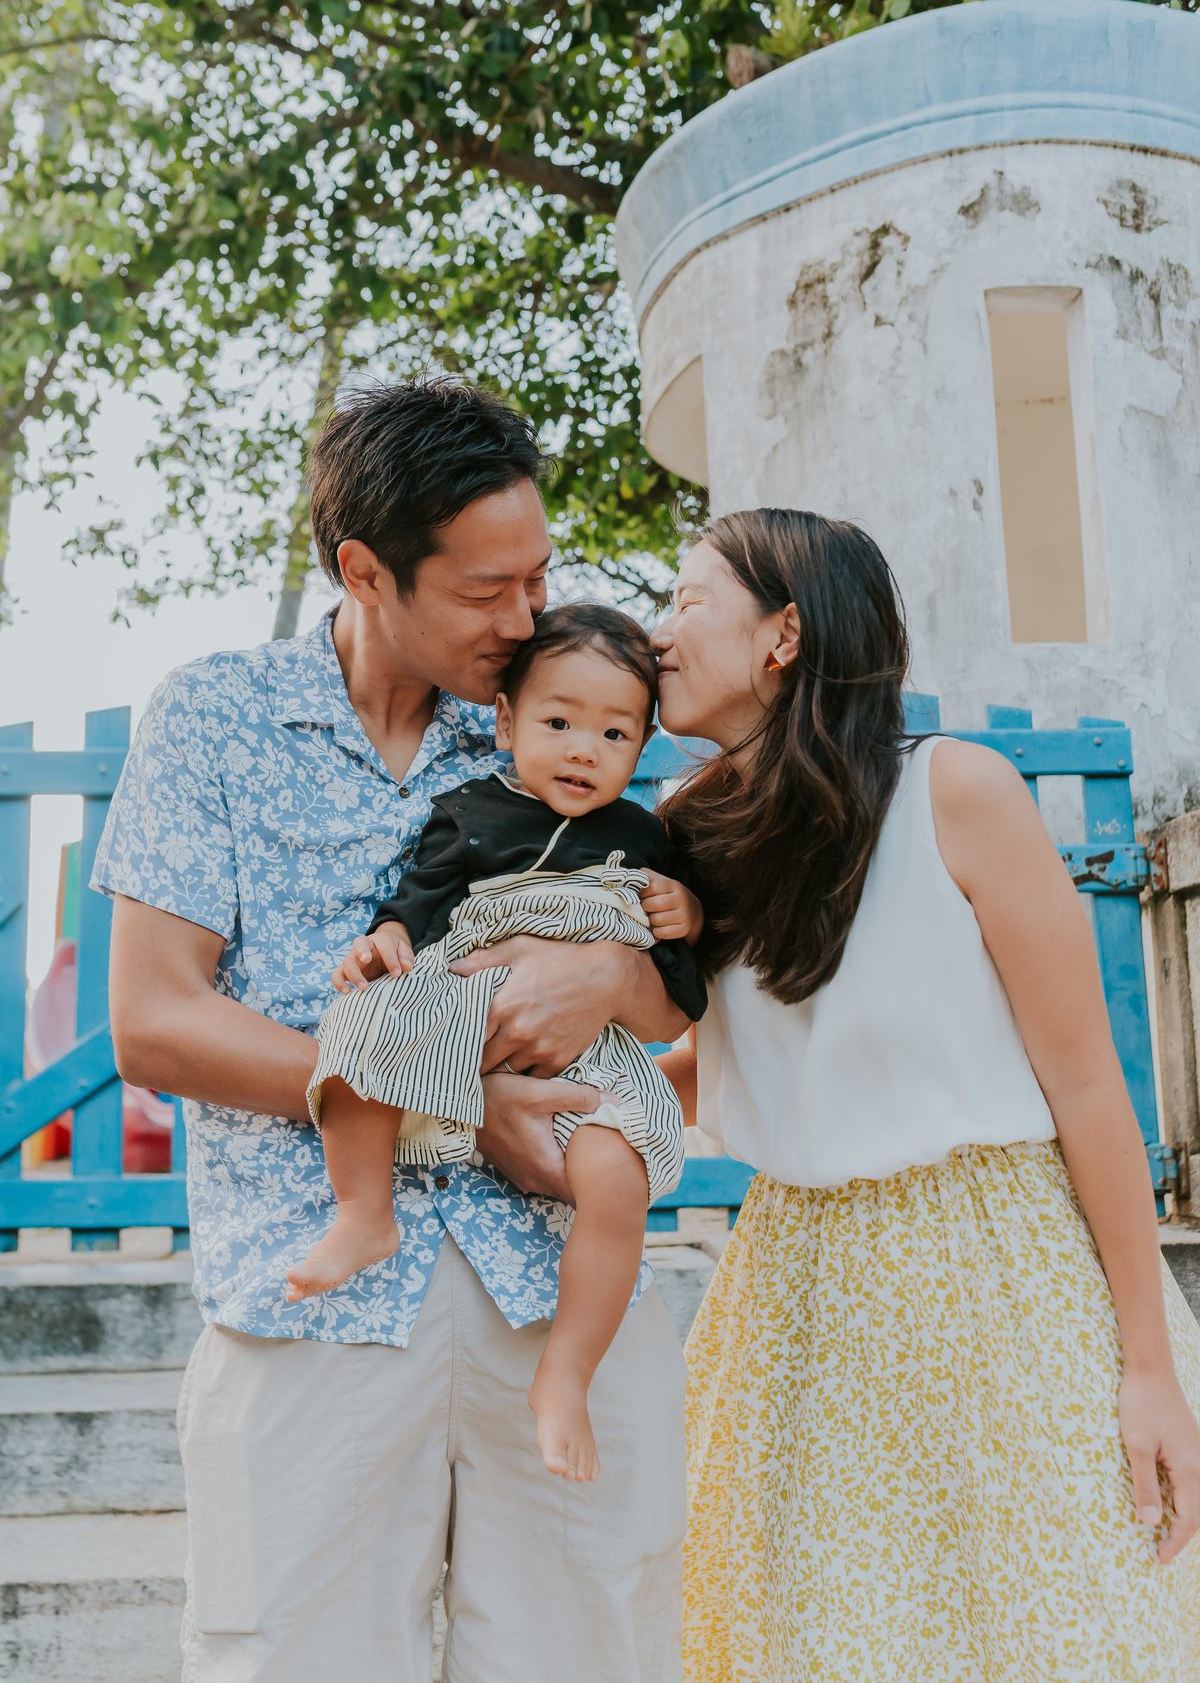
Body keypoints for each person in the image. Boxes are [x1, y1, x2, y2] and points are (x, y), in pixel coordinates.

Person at [96, 376, 689, 1683]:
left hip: (565, 1305)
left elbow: (672, 976)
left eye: (536, 576)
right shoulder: (217, 716)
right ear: (365, 570)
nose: (525, 617)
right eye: (487, 591)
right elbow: (155, 1020)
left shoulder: (566, 719)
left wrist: (608, 975)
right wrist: (459, 1101)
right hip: (316, 1304)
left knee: (593, 1654)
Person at [649, 507, 1200, 1680]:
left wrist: (1147, 1365)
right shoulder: (689, 834)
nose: (661, 633)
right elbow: (747, 1060)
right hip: (797, 1292)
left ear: (782, 634)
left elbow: (1088, 1084)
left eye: (690, 599)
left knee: (1057, 1628)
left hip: (998, 1272)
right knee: (819, 1644)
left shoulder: (957, 790)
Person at [284, 604, 706, 1483]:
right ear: (507, 722)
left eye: (615, 732)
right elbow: (416, 903)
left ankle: (567, 1372)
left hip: (593, 1053)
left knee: (615, 1179)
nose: (584, 749)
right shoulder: (467, 810)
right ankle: (365, 1213)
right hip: (462, 990)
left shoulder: (646, 841)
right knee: (358, 1028)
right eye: (558, 723)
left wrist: (686, 917)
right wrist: (386, 942)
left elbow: (675, 1005)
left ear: (642, 747)